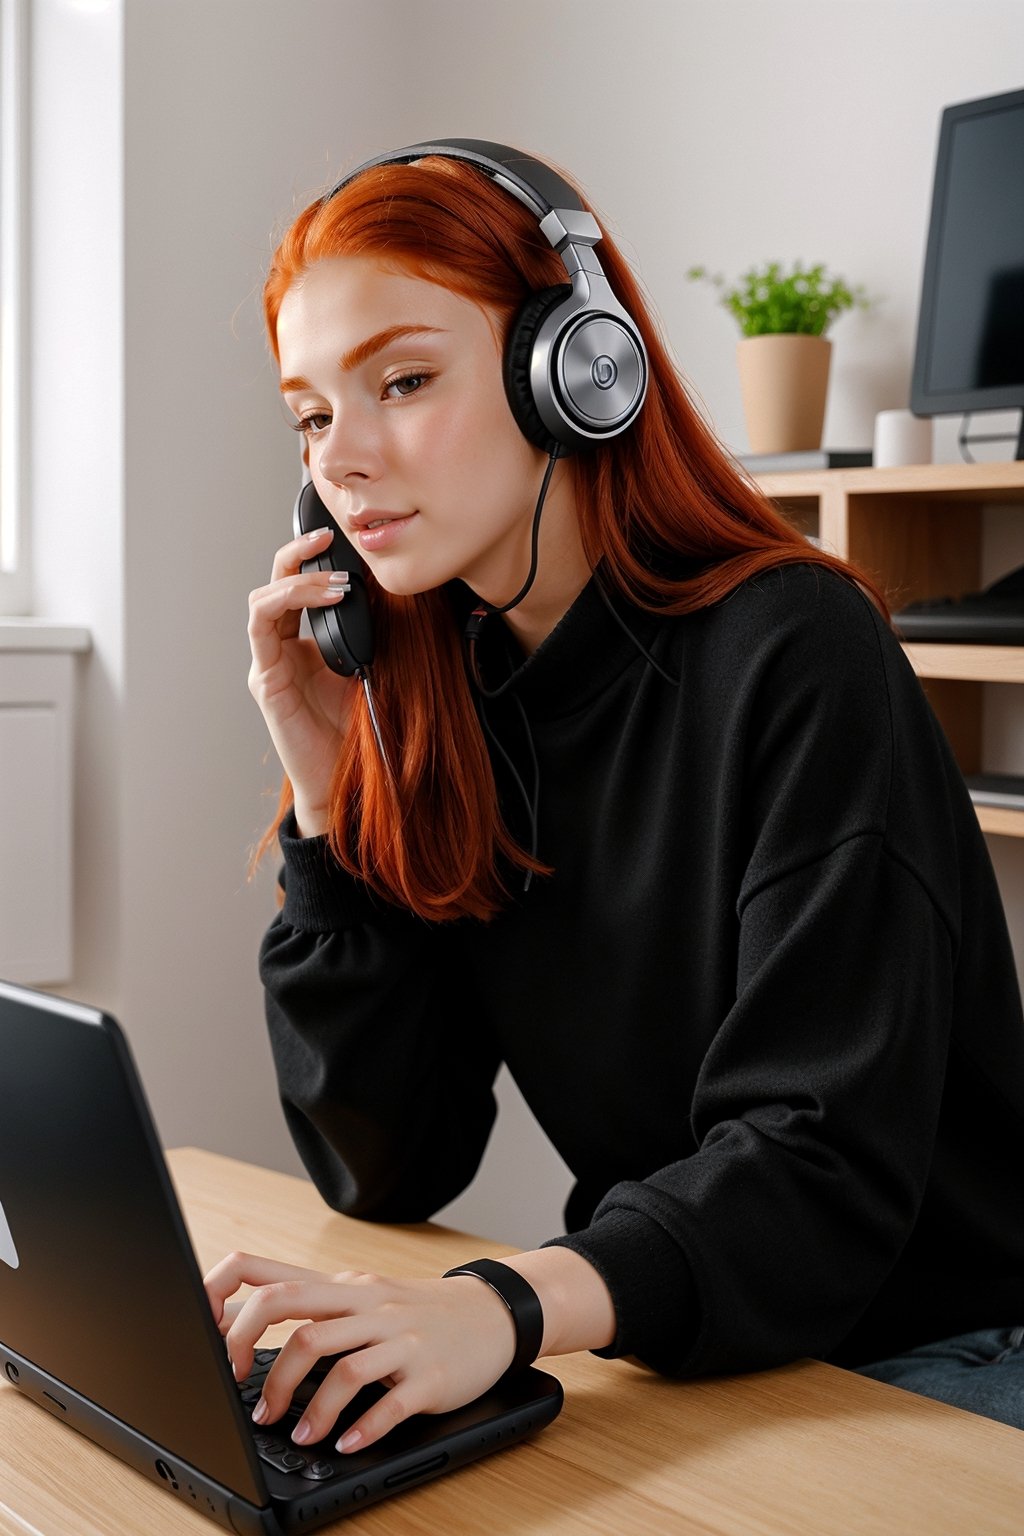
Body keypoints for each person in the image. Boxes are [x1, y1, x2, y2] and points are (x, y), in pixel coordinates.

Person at [204, 142, 1024, 1454]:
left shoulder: (798, 654)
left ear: (578, 373)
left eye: (402, 381)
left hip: (931, 1357)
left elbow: (818, 1167)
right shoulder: (455, 696)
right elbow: (386, 1163)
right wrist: (328, 793)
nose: (341, 461)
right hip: (679, 1337)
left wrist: (505, 1306)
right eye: (311, 416)